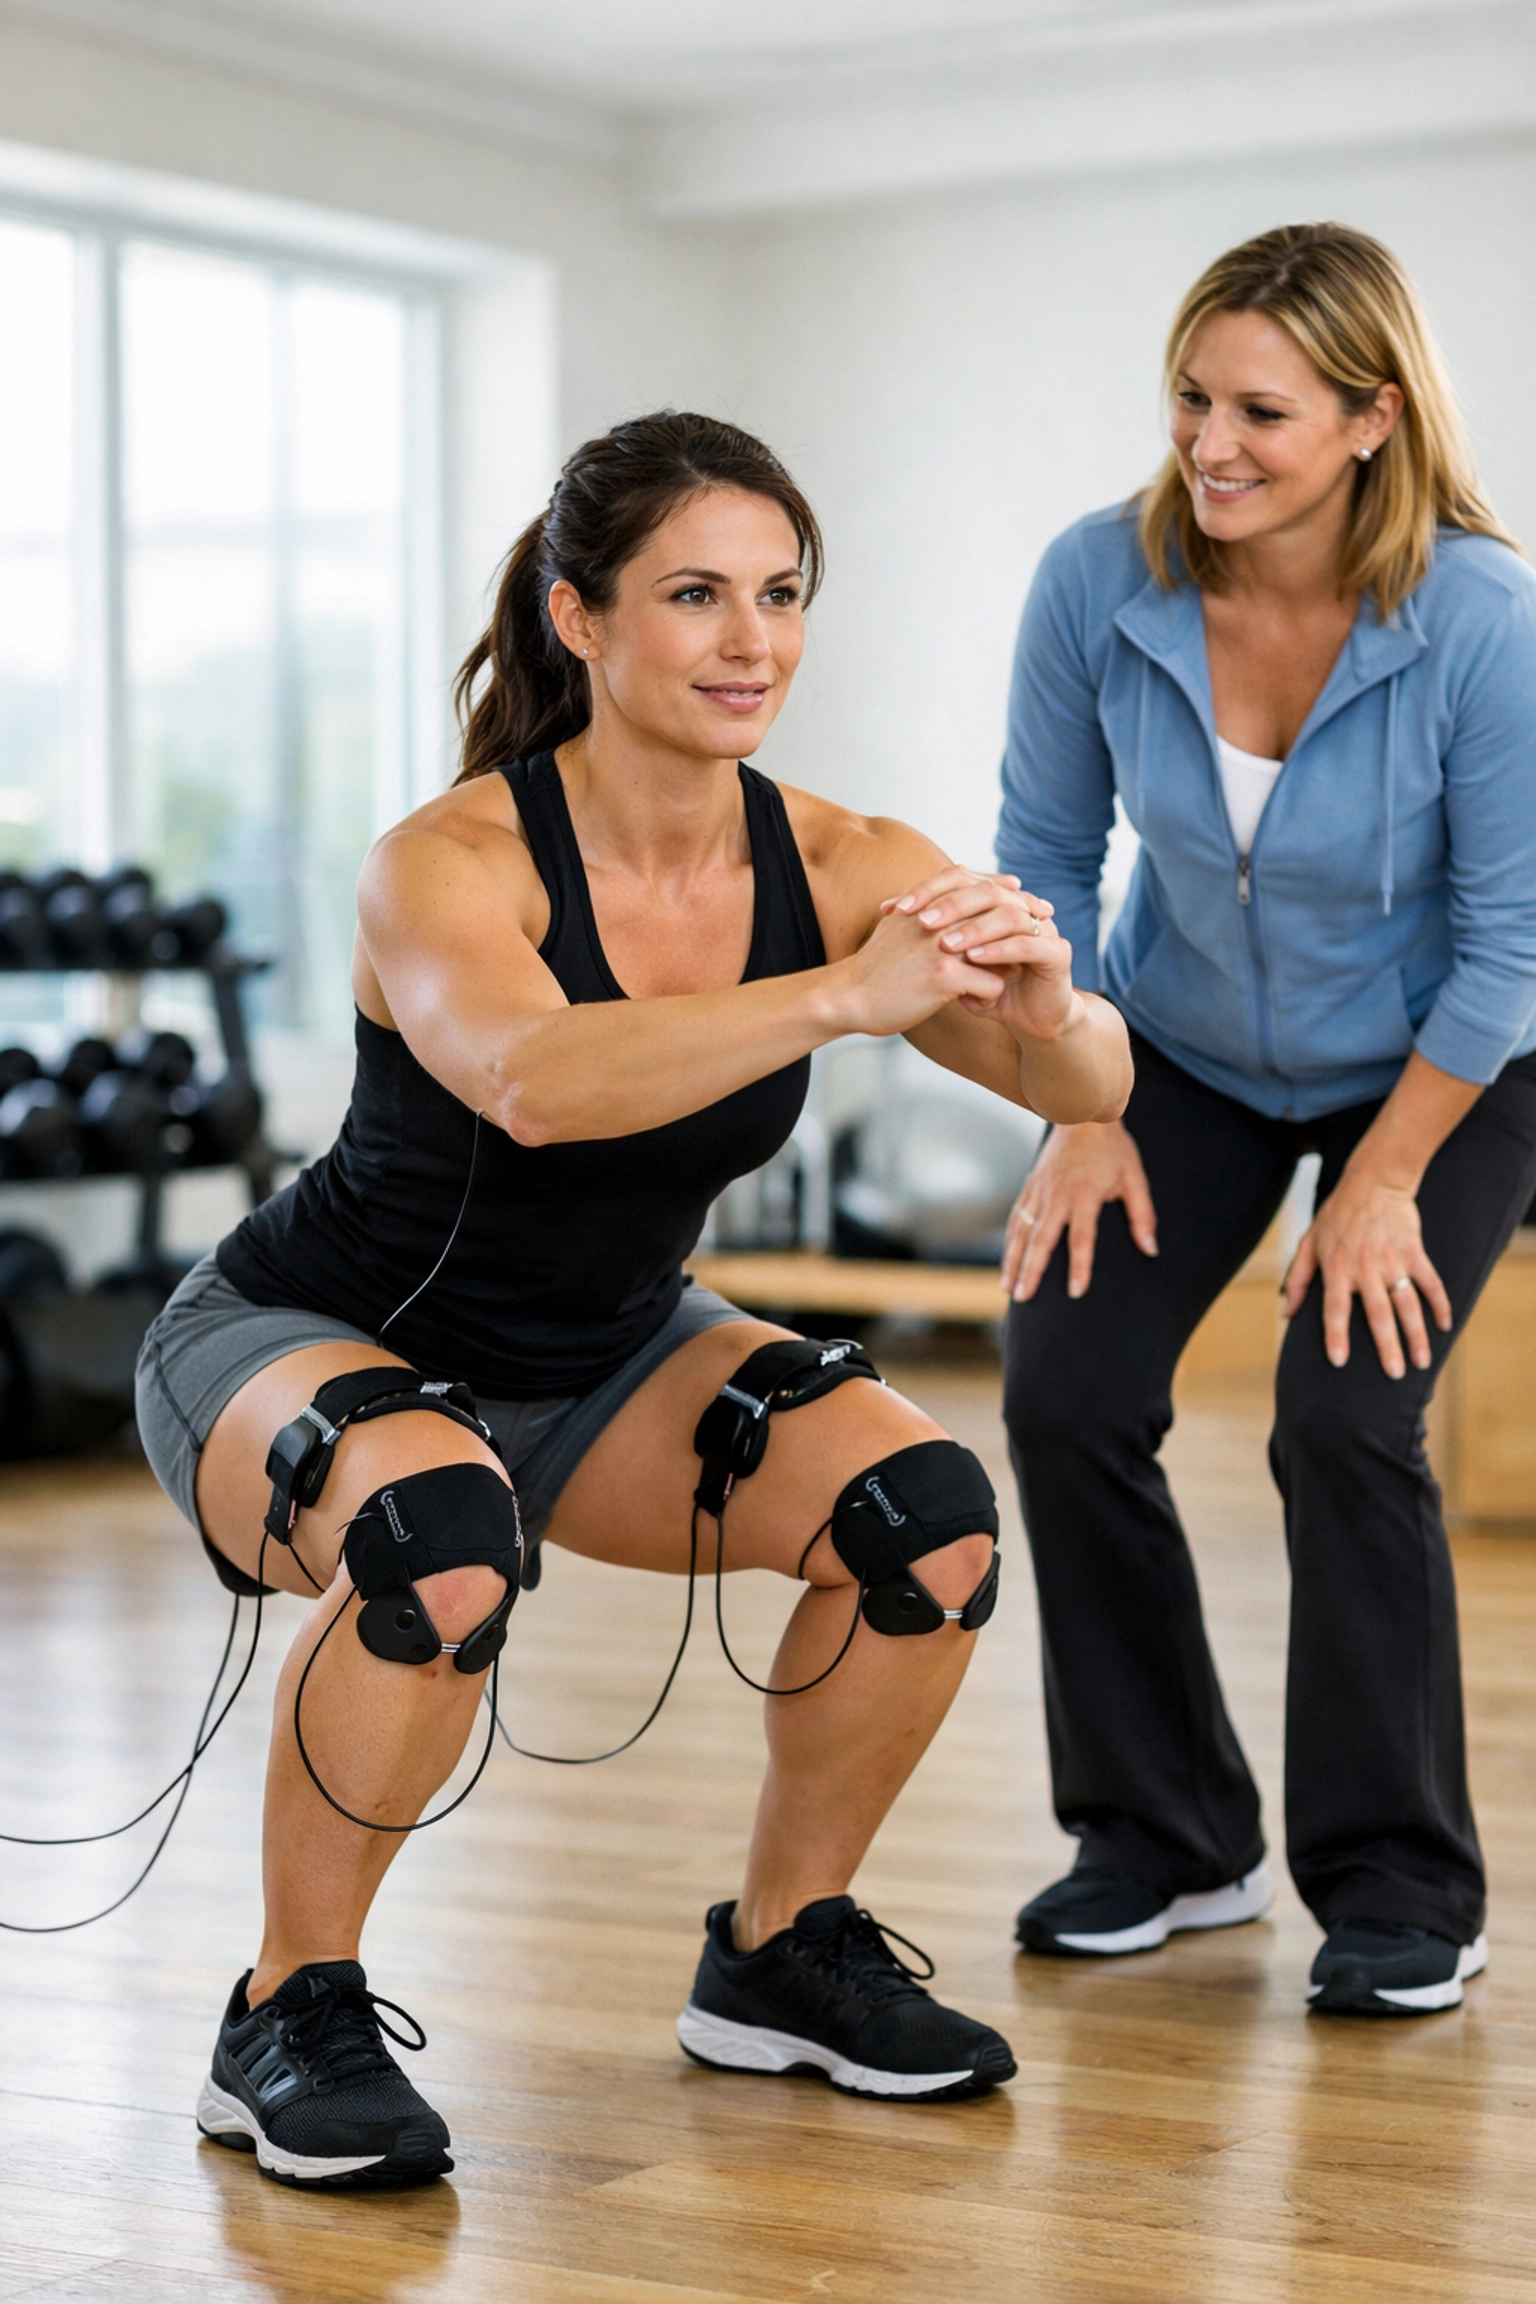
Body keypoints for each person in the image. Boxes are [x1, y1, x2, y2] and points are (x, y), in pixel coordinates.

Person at [135, 410, 1131, 2188]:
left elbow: (1093, 1091)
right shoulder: (450, 857)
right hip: (297, 1341)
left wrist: (1049, 997)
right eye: (695, 594)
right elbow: (534, 1077)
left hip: (598, 1362)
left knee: (927, 1516)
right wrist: (842, 996)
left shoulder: (839, 857)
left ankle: (779, 1952)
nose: (753, 641)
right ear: (579, 616)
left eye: (781, 594)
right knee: (434, 1531)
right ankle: (287, 2008)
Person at [997, 222, 1536, 2018]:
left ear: (1374, 419)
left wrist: (1383, 1182)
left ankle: (1401, 1884)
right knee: (1066, 1381)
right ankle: (1165, 1836)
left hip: (1443, 1057)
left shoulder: (1481, 619)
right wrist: (1076, 1102)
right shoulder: (1100, 581)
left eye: (1261, 411)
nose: (1210, 445)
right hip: (1181, 1047)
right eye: (1189, 399)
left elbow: (1515, 940)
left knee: (1342, 1410)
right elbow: (1043, 870)